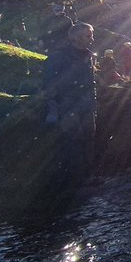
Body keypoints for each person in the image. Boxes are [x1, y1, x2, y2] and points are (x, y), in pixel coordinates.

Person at [42, 22, 97, 185]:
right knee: (72, 141)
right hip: (67, 105)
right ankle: (74, 180)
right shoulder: (57, 56)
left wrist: (94, 105)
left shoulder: (89, 55)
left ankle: (88, 177)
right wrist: (53, 109)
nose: (92, 39)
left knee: (88, 139)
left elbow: (91, 82)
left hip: (87, 105)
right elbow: (48, 85)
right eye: (88, 35)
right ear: (76, 38)